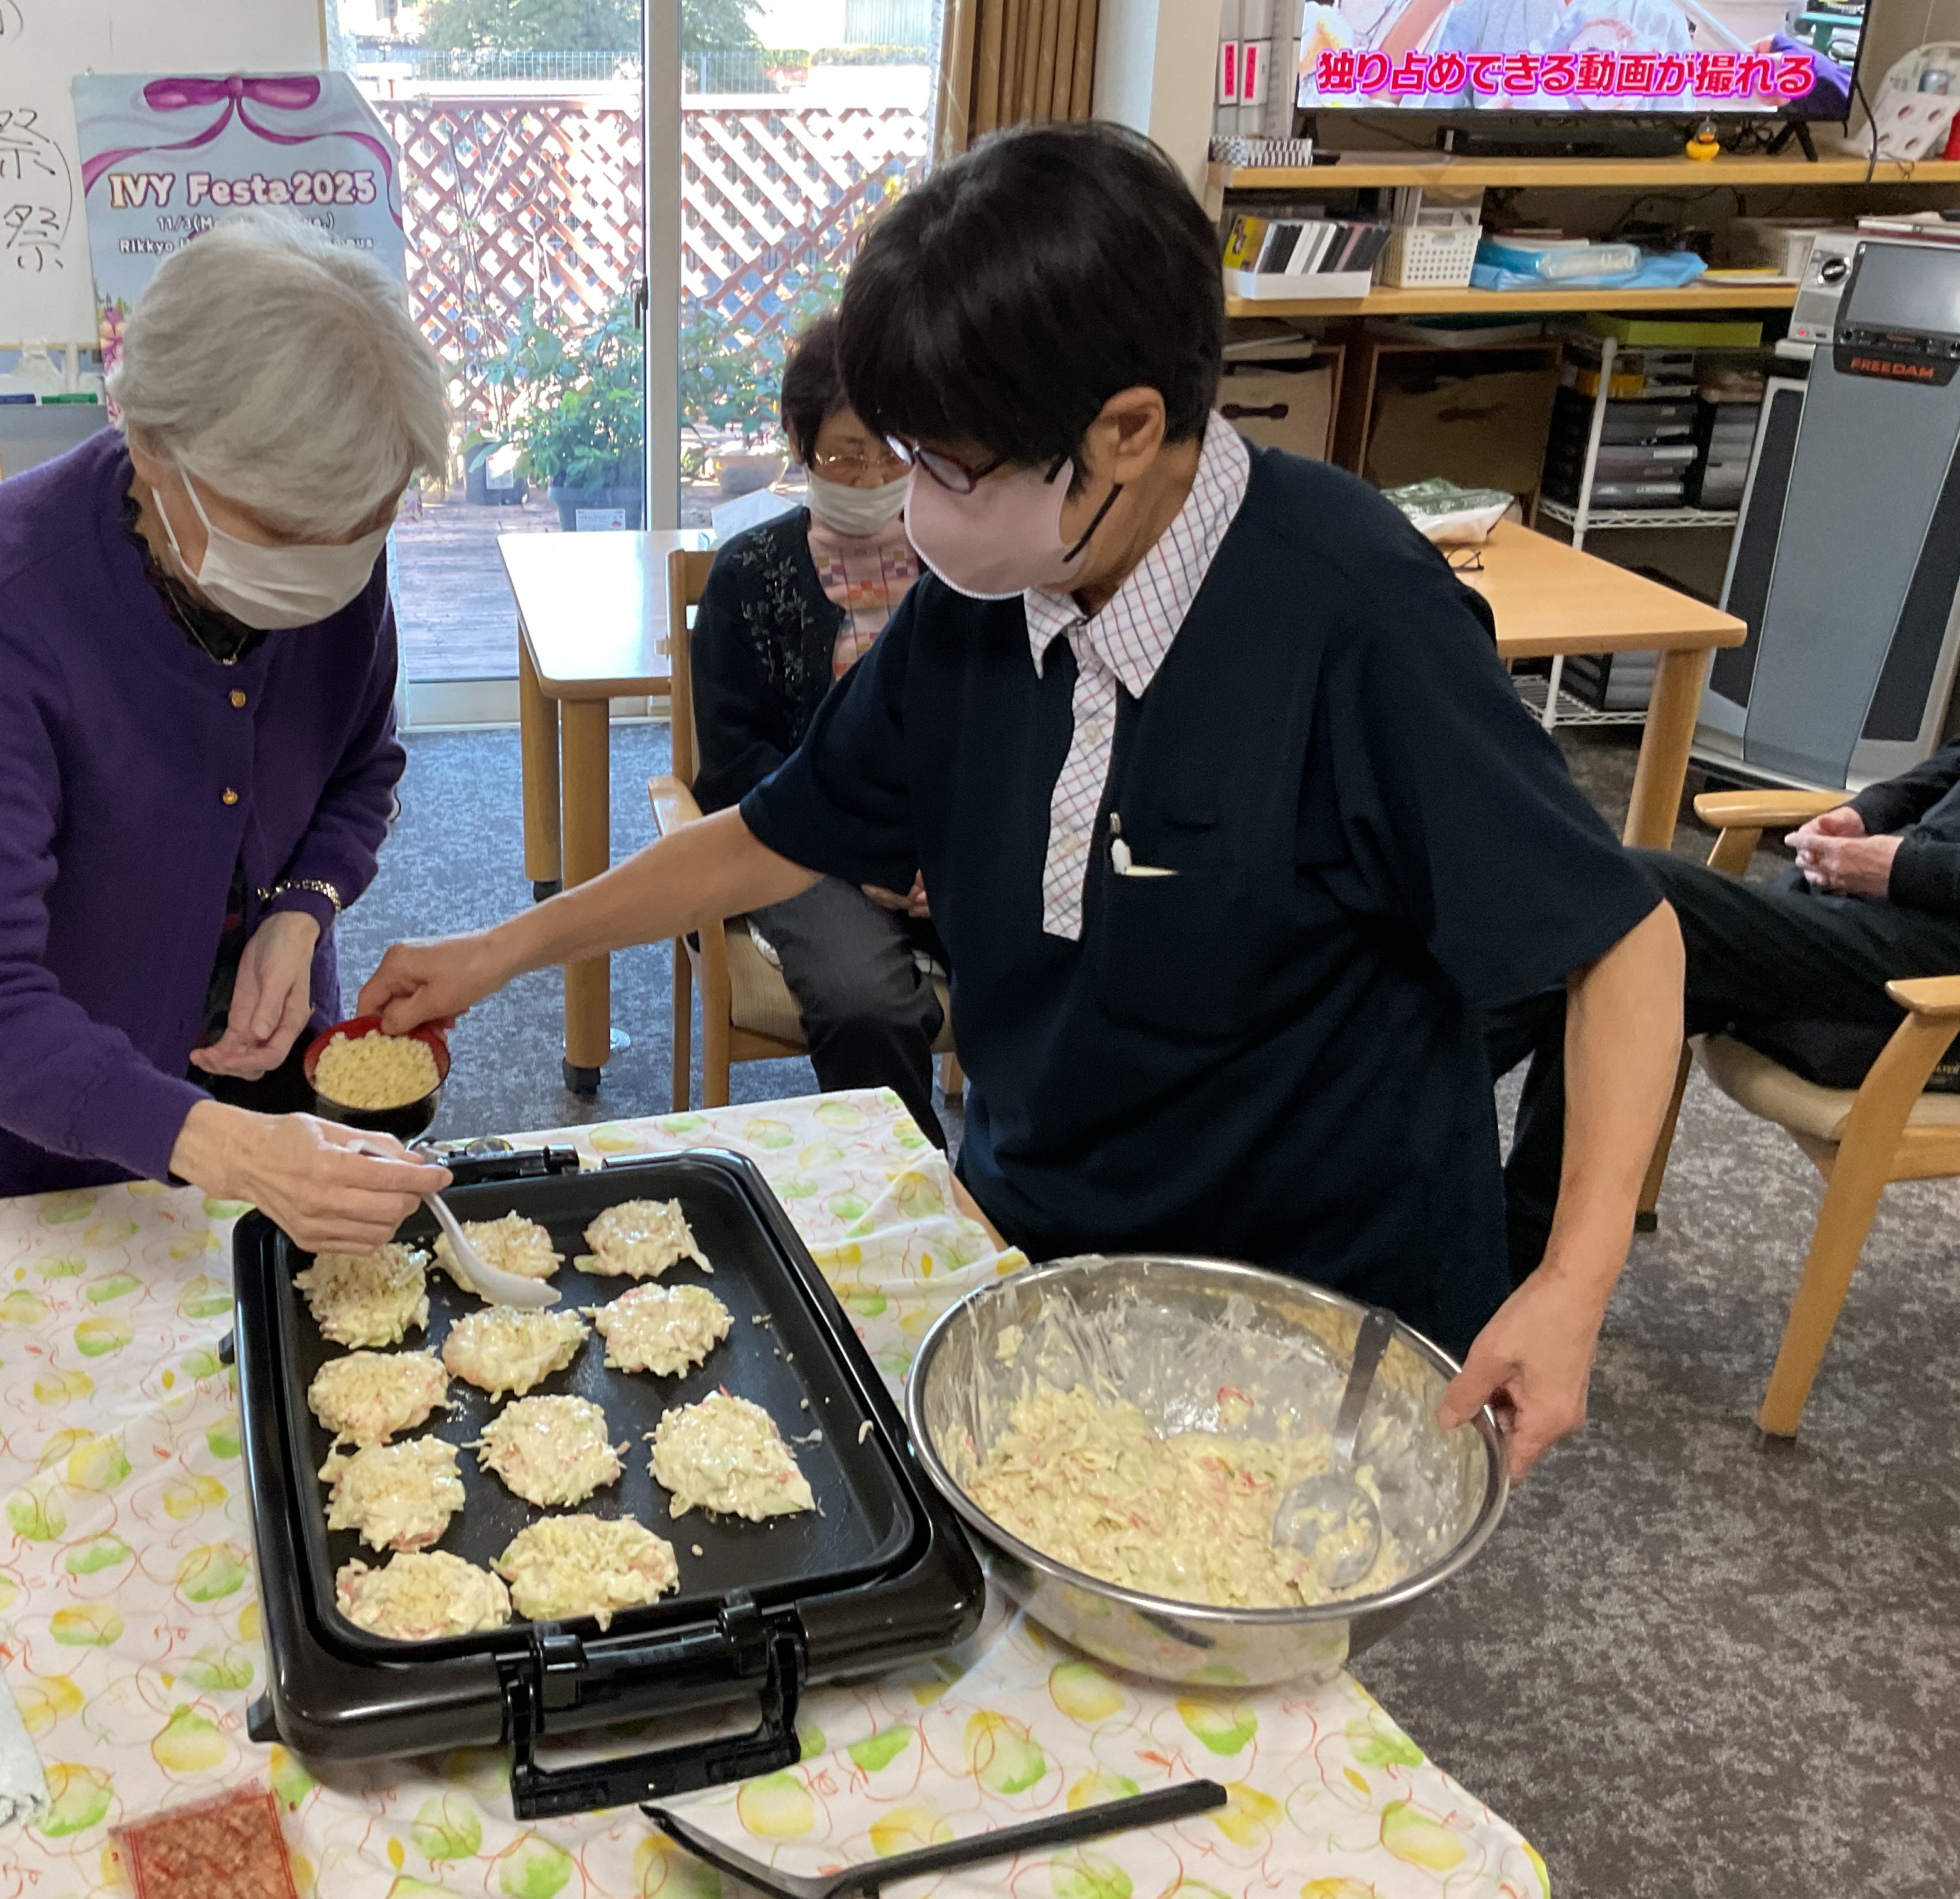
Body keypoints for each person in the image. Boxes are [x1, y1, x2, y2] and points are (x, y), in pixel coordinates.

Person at [362, 123, 1686, 1478]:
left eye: (950, 464)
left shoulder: (1356, 617)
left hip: (1304, 1305)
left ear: (1127, 430)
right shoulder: (986, 604)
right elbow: (769, 835)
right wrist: (498, 951)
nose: (917, 507)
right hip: (1038, 1239)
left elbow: (1623, 939)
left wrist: (1572, 1281)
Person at [0, 211, 452, 1250]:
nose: (326, 568)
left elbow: (362, 768)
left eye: (361, 532)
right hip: (26, 1110)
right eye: (286, 536)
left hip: (254, 1052)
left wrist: (302, 910)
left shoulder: (335, 542)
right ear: (150, 446)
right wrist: (225, 1147)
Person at [1493, 735, 1960, 1270]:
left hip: (1935, 966)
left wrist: (1903, 867)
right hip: (1891, 903)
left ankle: (1462, 1175)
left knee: (1642, 900)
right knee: (1622, 943)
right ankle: (1513, 1239)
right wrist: (1865, 814)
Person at [691, 318, 949, 1145]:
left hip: (943, 837)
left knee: (1062, 955)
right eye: (845, 455)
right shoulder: (748, 575)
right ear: (799, 444)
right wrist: (864, 853)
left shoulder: (964, 566)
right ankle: (906, 1189)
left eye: (895, 454)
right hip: (802, 843)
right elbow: (735, 765)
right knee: (866, 1002)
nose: (873, 477)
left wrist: (945, 850)